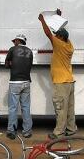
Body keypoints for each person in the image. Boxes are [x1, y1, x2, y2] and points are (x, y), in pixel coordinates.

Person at [39, 10, 76, 139]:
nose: (55, 37)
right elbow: (59, 32)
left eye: (57, 36)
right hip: (70, 81)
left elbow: (49, 33)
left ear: (60, 38)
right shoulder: (69, 45)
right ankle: (71, 130)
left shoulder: (58, 45)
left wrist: (42, 20)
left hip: (61, 82)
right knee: (70, 109)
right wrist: (59, 18)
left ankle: (58, 132)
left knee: (60, 108)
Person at [5, 32, 33, 139]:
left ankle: (12, 131)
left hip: (15, 82)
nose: (14, 42)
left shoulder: (13, 49)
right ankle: (27, 131)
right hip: (26, 81)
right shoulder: (30, 51)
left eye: (15, 41)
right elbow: (29, 65)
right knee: (25, 107)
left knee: (13, 107)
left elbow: (6, 65)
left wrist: (11, 64)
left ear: (18, 41)